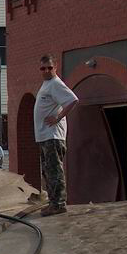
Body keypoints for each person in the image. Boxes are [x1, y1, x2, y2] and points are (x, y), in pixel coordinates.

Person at [34, 54, 79, 217]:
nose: (46, 71)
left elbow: (73, 100)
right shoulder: (47, 84)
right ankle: (53, 202)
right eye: (43, 68)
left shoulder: (55, 84)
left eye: (49, 67)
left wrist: (58, 118)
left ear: (56, 67)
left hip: (53, 136)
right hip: (45, 137)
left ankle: (59, 204)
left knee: (54, 170)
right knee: (48, 170)